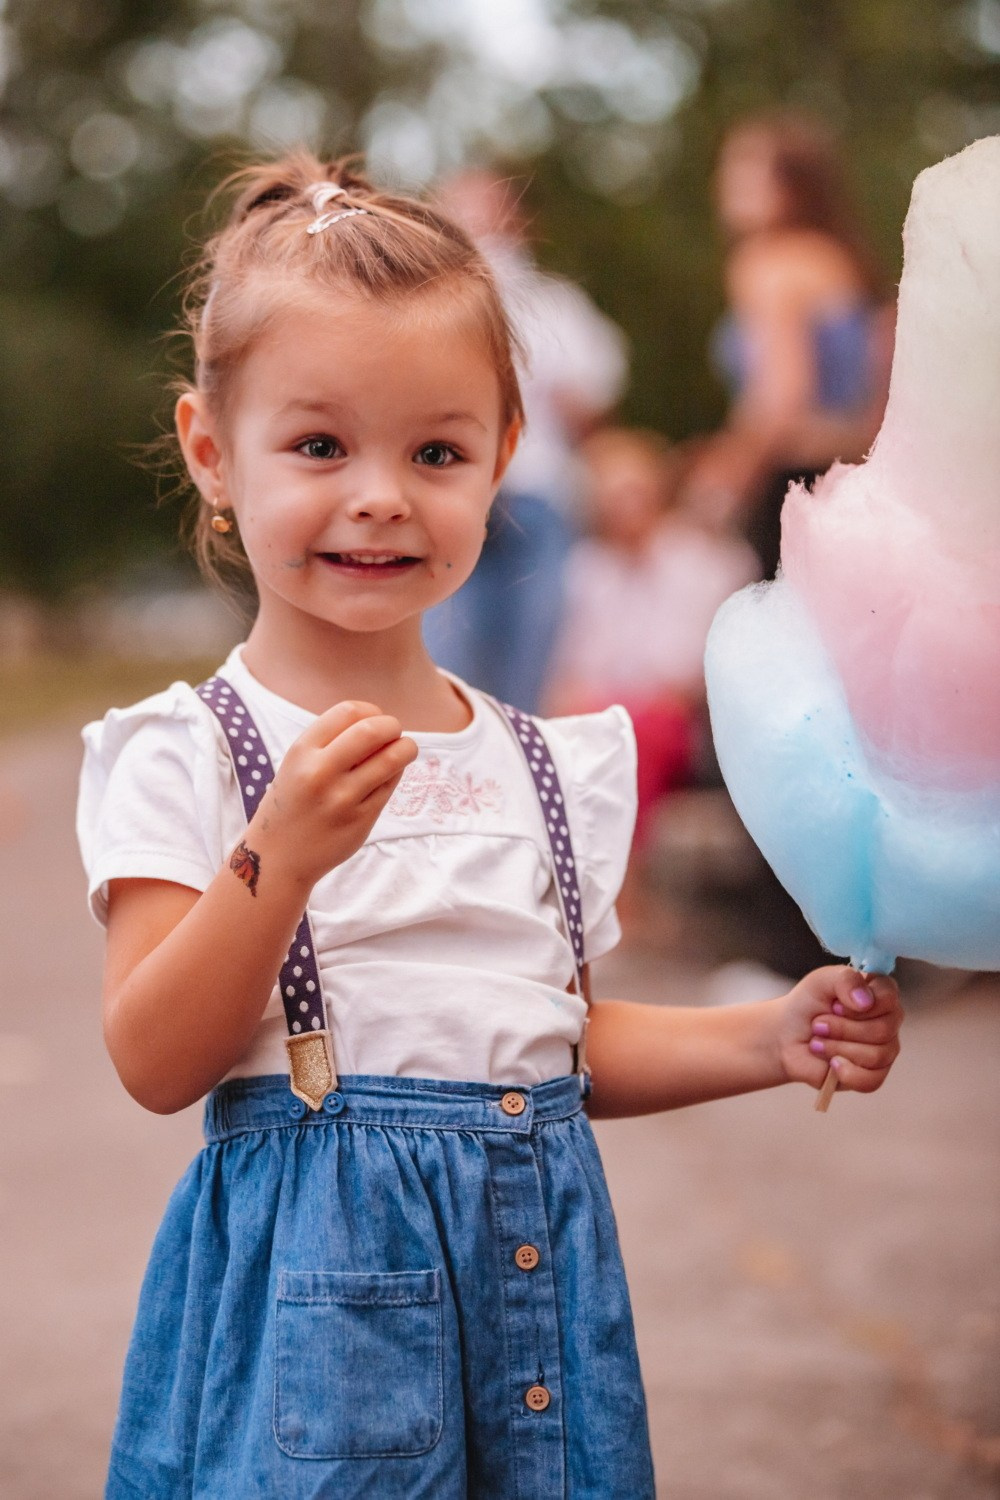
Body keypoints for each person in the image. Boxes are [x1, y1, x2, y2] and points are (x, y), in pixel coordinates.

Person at [77, 152, 903, 1499]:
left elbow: (562, 1040)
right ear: (212, 452)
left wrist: (768, 1035)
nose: (383, 493)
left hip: (537, 1307)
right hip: (315, 1329)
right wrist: (276, 861)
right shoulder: (190, 754)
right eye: (320, 445)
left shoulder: (539, 760)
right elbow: (157, 1058)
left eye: (439, 451)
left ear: (507, 459)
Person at [422, 169, 628, 711]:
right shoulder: (418, 305)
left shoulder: (555, 304)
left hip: (537, 497)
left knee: (530, 661)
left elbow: (590, 406)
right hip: (452, 497)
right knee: (446, 653)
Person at [683, 111, 894, 579]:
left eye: (740, 170)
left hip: (791, 477)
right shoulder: (841, 261)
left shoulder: (769, 263)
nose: (724, 182)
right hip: (853, 476)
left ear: (788, 187)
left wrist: (726, 481)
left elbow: (781, 397)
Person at [548, 426, 758, 853]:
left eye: (632, 491)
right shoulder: (587, 570)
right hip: (608, 713)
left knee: (630, 742)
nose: (622, 507)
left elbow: (683, 676)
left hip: (671, 720)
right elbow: (573, 671)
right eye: (609, 495)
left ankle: (623, 879)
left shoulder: (699, 560)